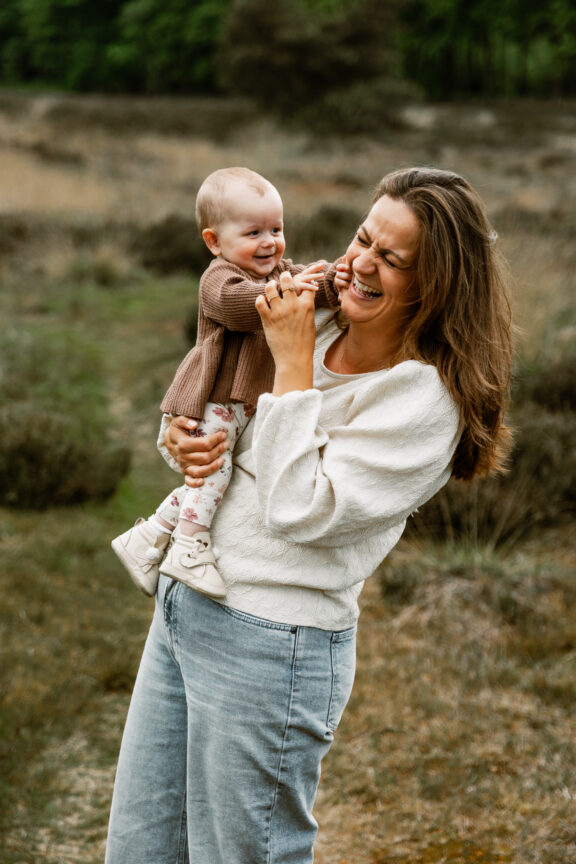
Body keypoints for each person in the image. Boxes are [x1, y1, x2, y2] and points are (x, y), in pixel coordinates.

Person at [105, 167, 512, 864]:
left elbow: (299, 510)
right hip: (184, 608)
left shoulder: (424, 403)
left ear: (438, 284)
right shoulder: (315, 316)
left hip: (271, 645)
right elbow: (218, 384)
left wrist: (293, 368)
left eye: (392, 258)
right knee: (139, 850)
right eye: (363, 238)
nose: (360, 263)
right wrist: (178, 435)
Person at [111, 166, 342, 599]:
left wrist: (332, 280)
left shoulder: (279, 274)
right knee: (214, 471)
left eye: (277, 228)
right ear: (214, 241)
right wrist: (291, 289)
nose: (270, 242)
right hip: (212, 395)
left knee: (215, 475)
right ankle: (188, 548)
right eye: (253, 232)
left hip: (240, 404)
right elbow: (240, 307)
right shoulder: (219, 280)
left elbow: (312, 282)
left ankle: (146, 538)